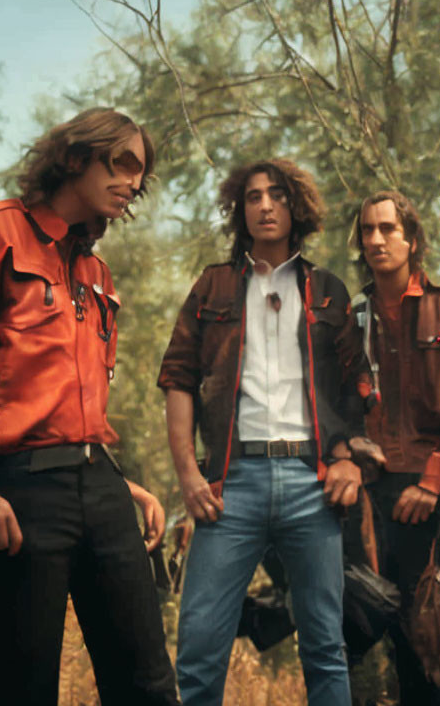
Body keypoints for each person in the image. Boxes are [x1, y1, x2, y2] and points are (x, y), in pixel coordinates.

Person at [0, 108, 179, 706]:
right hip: (16, 494)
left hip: (101, 487)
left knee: (149, 688)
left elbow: (71, 399)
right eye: (121, 164)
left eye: (139, 177)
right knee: (19, 689)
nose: (131, 183)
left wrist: (116, 481)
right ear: (74, 157)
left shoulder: (95, 272)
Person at [157, 158, 367, 706]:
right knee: (200, 644)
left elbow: (356, 388)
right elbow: (177, 378)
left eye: (276, 195)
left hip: (310, 482)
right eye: (253, 196)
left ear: (296, 206)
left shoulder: (327, 290)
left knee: (325, 645)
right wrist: (188, 476)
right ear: (240, 210)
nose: (265, 205)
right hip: (232, 485)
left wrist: (347, 460)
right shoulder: (214, 285)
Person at [346, 191, 440, 704]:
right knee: (379, 641)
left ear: (413, 239)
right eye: (367, 230)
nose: (376, 239)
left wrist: (432, 482)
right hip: (371, 496)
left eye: (388, 228)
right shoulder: (350, 320)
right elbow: (334, 406)